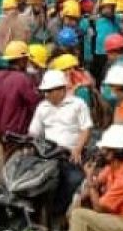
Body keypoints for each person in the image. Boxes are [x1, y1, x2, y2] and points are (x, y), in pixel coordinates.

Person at [29, 69, 93, 221]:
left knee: (74, 180)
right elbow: (33, 133)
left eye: (49, 91)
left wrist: (77, 149)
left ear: (61, 89)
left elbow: (86, 128)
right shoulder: (42, 107)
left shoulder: (78, 104)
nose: (46, 95)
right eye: (45, 91)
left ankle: (58, 213)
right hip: (48, 156)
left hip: (70, 155)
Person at [0, 41, 42, 150]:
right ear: (21, 60)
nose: (27, 62)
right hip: (16, 129)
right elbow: (35, 103)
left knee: (7, 153)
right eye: (26, 59)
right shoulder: (22, 79)